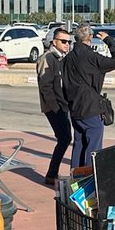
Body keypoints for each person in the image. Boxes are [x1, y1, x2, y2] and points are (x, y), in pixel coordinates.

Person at [62, 22, 115, 168]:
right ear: (89, 37)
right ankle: (89, 181)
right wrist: (109, 40)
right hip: (90, 107)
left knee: (79, 145)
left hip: (75, 107)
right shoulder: (92, 57)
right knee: (93, 148)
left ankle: (75, 182)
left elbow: (64, 83)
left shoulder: (68, 58)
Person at [36, 27, 71, 184]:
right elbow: (46, 87)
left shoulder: (60, 58)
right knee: (64, 138)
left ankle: (52, 173)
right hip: (54, 107)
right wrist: (56, 108)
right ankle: (51, 174)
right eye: (63, 41)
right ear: (54, 41)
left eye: (69, 41)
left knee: (64, 138)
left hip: (62, 106)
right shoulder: (48, 58)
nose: (67, 44)